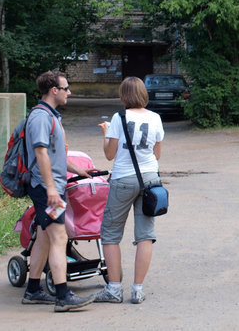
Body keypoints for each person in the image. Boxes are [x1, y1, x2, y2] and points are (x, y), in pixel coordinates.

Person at [22, 70, 95, 311]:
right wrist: (52, 188)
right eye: (66, 88)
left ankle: (33, 290)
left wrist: (77, 170)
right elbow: (40, 153)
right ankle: (63, 296)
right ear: (54, 90)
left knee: (44, 236)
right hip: (46, 188)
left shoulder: (52, 116)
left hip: (50, 185)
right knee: (59, 237)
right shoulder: (41, 117)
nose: (69, 92)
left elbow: (57, 154)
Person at [93, 77, 165, 304]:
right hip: (150, 180)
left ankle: (114, 289)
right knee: (145, 235)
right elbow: (157, 154)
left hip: (124, 179)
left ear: (124, 95)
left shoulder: (118, 118)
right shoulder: (155, 118)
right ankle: (137, 290)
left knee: (110, 234)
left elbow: (109, 154)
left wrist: (106, 133)